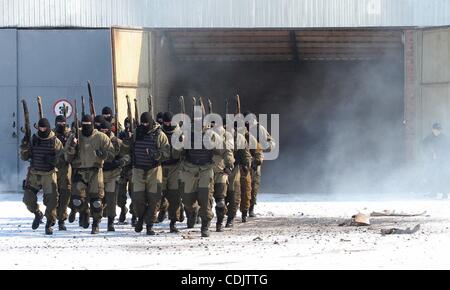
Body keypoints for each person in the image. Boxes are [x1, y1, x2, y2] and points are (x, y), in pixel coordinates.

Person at [65, 114, 115, 234]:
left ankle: (96, 223)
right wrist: (73, 146)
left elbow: (111, 153)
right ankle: (84, 211)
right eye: (84, 125)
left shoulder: (101, 137)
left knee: (97, 201)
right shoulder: (75, 136)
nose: (86, 127)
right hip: (79, 171)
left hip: (95, 171)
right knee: (77, 201)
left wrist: (102, 154)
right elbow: (67, 156)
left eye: (88, 124)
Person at [20, 118, 63, 235]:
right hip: (34, 173)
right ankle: (37, 213)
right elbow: (24, 157)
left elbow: (62, 159)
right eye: (40, 128)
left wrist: (53, 160)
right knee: (27, 198)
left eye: (44, 128)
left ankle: (49, 224)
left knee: (52, 201)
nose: (42, 130)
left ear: (48, 128)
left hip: (49, 174)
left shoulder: (55, 141)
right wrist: (24, 145)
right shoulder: (33, 139)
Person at [130, 112, 170, 235]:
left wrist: (155, 154)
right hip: (138, 170)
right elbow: (129, 150)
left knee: (154, 199)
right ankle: (140, 217)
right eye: (143, 123)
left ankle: (149, 225)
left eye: (147, 123)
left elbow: (167, 153)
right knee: (137, 199)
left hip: (154, 170)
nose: (145, 125)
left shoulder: (160, 135)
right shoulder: (137, 133)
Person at [53, 115, 72, 231]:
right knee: (53, 195)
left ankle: (61, 220)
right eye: (59, 123)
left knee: (65, 195)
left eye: (63, 123)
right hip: (53, 168)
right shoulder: (51, 135)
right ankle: (51, 217)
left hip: (65, 169)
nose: (61, 125)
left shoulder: (69, 135)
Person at [422, 122, 449, 198]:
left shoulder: (444, 138)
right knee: (431, 176)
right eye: (436, 129)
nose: (437, 131)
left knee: (443, 177)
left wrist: (441, 155)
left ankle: (445, 194)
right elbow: (424, 146)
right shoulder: (429, 138)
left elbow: (447, 149)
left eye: (439, 130)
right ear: (433, 129)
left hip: (442, 161)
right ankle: (433, 193)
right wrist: (430, 155)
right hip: (432, 161)